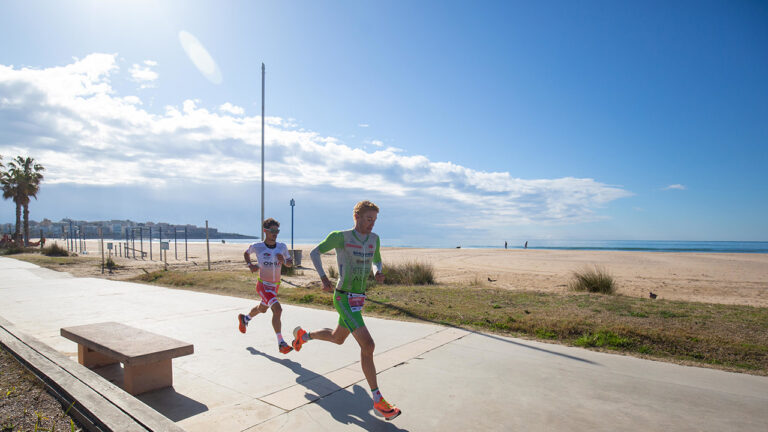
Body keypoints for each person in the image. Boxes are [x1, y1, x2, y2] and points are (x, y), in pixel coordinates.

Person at [291, 200, 401, 421]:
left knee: (337, 338)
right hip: (342, 297)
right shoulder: (340, 237)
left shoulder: (374, 239)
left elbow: (376, 261)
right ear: (357, 217)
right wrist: (323, 277)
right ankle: (378, 400)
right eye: (369, 219)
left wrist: (378, 271)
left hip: (359, 299)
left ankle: (304, 336)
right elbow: (314, 253)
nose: (372, 224)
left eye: (375, 220)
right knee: (368, 345)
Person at [237, 218, 294, 354]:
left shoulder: (282, 247)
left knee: (262, 309)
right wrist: (250, 265)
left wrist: (285, 260)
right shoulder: (258, 246)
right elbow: (246, 253)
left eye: (277, 231)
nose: (275, 233)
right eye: (272, 231)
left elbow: (291, 263)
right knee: (277, 310)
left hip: (275, 286)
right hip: (263, 285)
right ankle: (281, 343)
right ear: (265, 231)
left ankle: (245, 318)